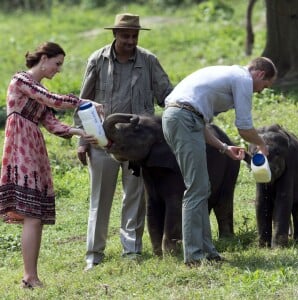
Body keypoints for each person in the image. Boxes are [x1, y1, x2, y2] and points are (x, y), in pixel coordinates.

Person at [74, 13, 173, 271]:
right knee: (100, 199)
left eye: (134, 36)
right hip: (102, 140)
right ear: (115, 34)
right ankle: (93, 255)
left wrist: (185, 109)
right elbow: (83, 102)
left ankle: (131, 251)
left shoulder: (149, 60)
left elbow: (167, 95)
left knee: (135, 198)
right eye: (126, 35)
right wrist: (82, 142)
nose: (131, 40)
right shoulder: (97, 59)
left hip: (139, 144)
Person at [0, 42, 101, 288]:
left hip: (32, 145)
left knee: (35, 216)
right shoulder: (21, 81)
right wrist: (82, 102)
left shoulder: (37, 89)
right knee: (32, 214)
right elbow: (52, 100)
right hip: (21, 146)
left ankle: (30, 276)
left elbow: (52, 123)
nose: (58, 70)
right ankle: (30, 277)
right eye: (57, 64)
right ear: (43, 59)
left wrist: (79, 131)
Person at [162, 57, 277, 266]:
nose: (260, 91)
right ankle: (194, 257)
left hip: (183, 118)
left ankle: (208, 251)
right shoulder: (243, 78)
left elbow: (200, 121)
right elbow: (244, 127)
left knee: (202, 187)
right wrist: (262, 145)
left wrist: (223, 147)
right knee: (196, 189)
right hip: (182, 119)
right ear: (259, 74)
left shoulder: (229, 76)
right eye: (264, 86)